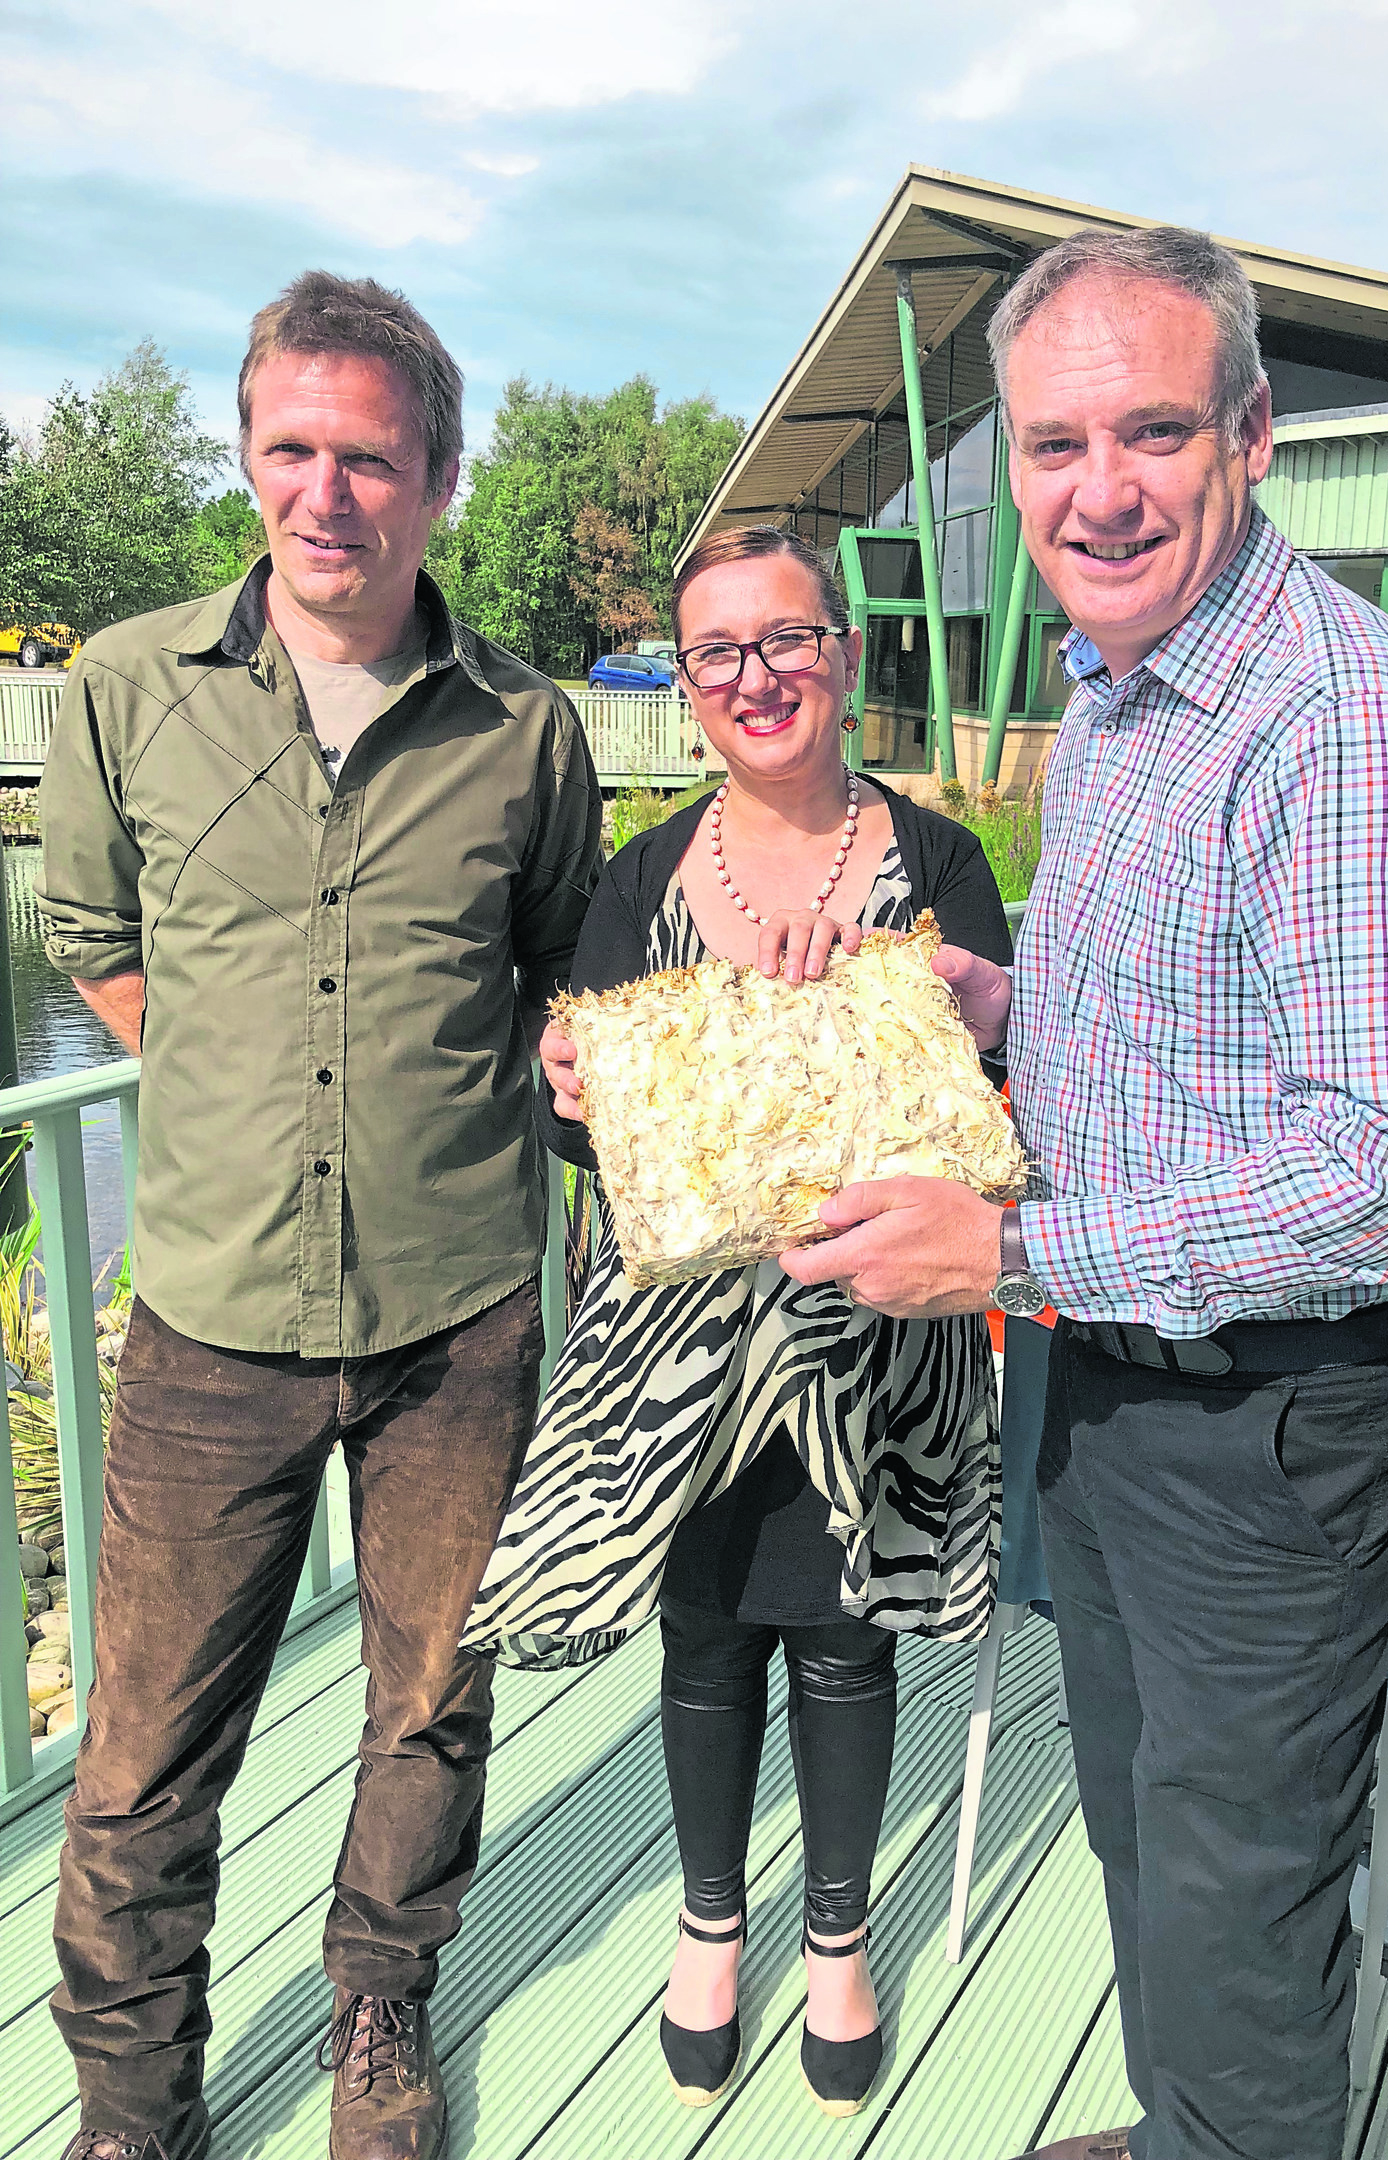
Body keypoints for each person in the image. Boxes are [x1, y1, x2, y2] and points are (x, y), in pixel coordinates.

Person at [780, 227, 1388, 2160]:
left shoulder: (1354, 722)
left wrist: (1011, 1247)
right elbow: (1207, 1016)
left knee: (1235, 1897)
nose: (1098, 489)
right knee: (1139, 1818)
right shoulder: (1121, 687)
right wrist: (1009, 999)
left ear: (1253, 436)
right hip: (1116, 1372)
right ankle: (1189, 2129)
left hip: (1277, 1414)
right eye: (1051, 445)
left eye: (1154, 430)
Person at [36, 271, 602, 2160]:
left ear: (438, 477)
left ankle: (380, 2006)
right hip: (209, 1319)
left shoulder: (525, 728)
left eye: (371, 456)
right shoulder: (125, 686)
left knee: (430, 1705)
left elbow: (546, 983)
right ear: (249, 458)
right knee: (136, 1752)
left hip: (460, 1316)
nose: (327, 494)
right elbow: (100, 944)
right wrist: (237, 1105)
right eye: (293, 449)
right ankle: (132, 2099)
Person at [463, 523, 1013, 2119]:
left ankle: (835, 1941)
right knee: (704, 1641)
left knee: (847, 1642)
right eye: (719, 653)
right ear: (690, 686)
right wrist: (568, 1092)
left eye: (787, 640)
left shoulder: (940, 860)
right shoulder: (639, 881)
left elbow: (979, 1093)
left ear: (841, 654)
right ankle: (713, 1927)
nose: (756, 677)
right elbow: (600, 1127)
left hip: (872, 1332)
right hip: (679, 1353)